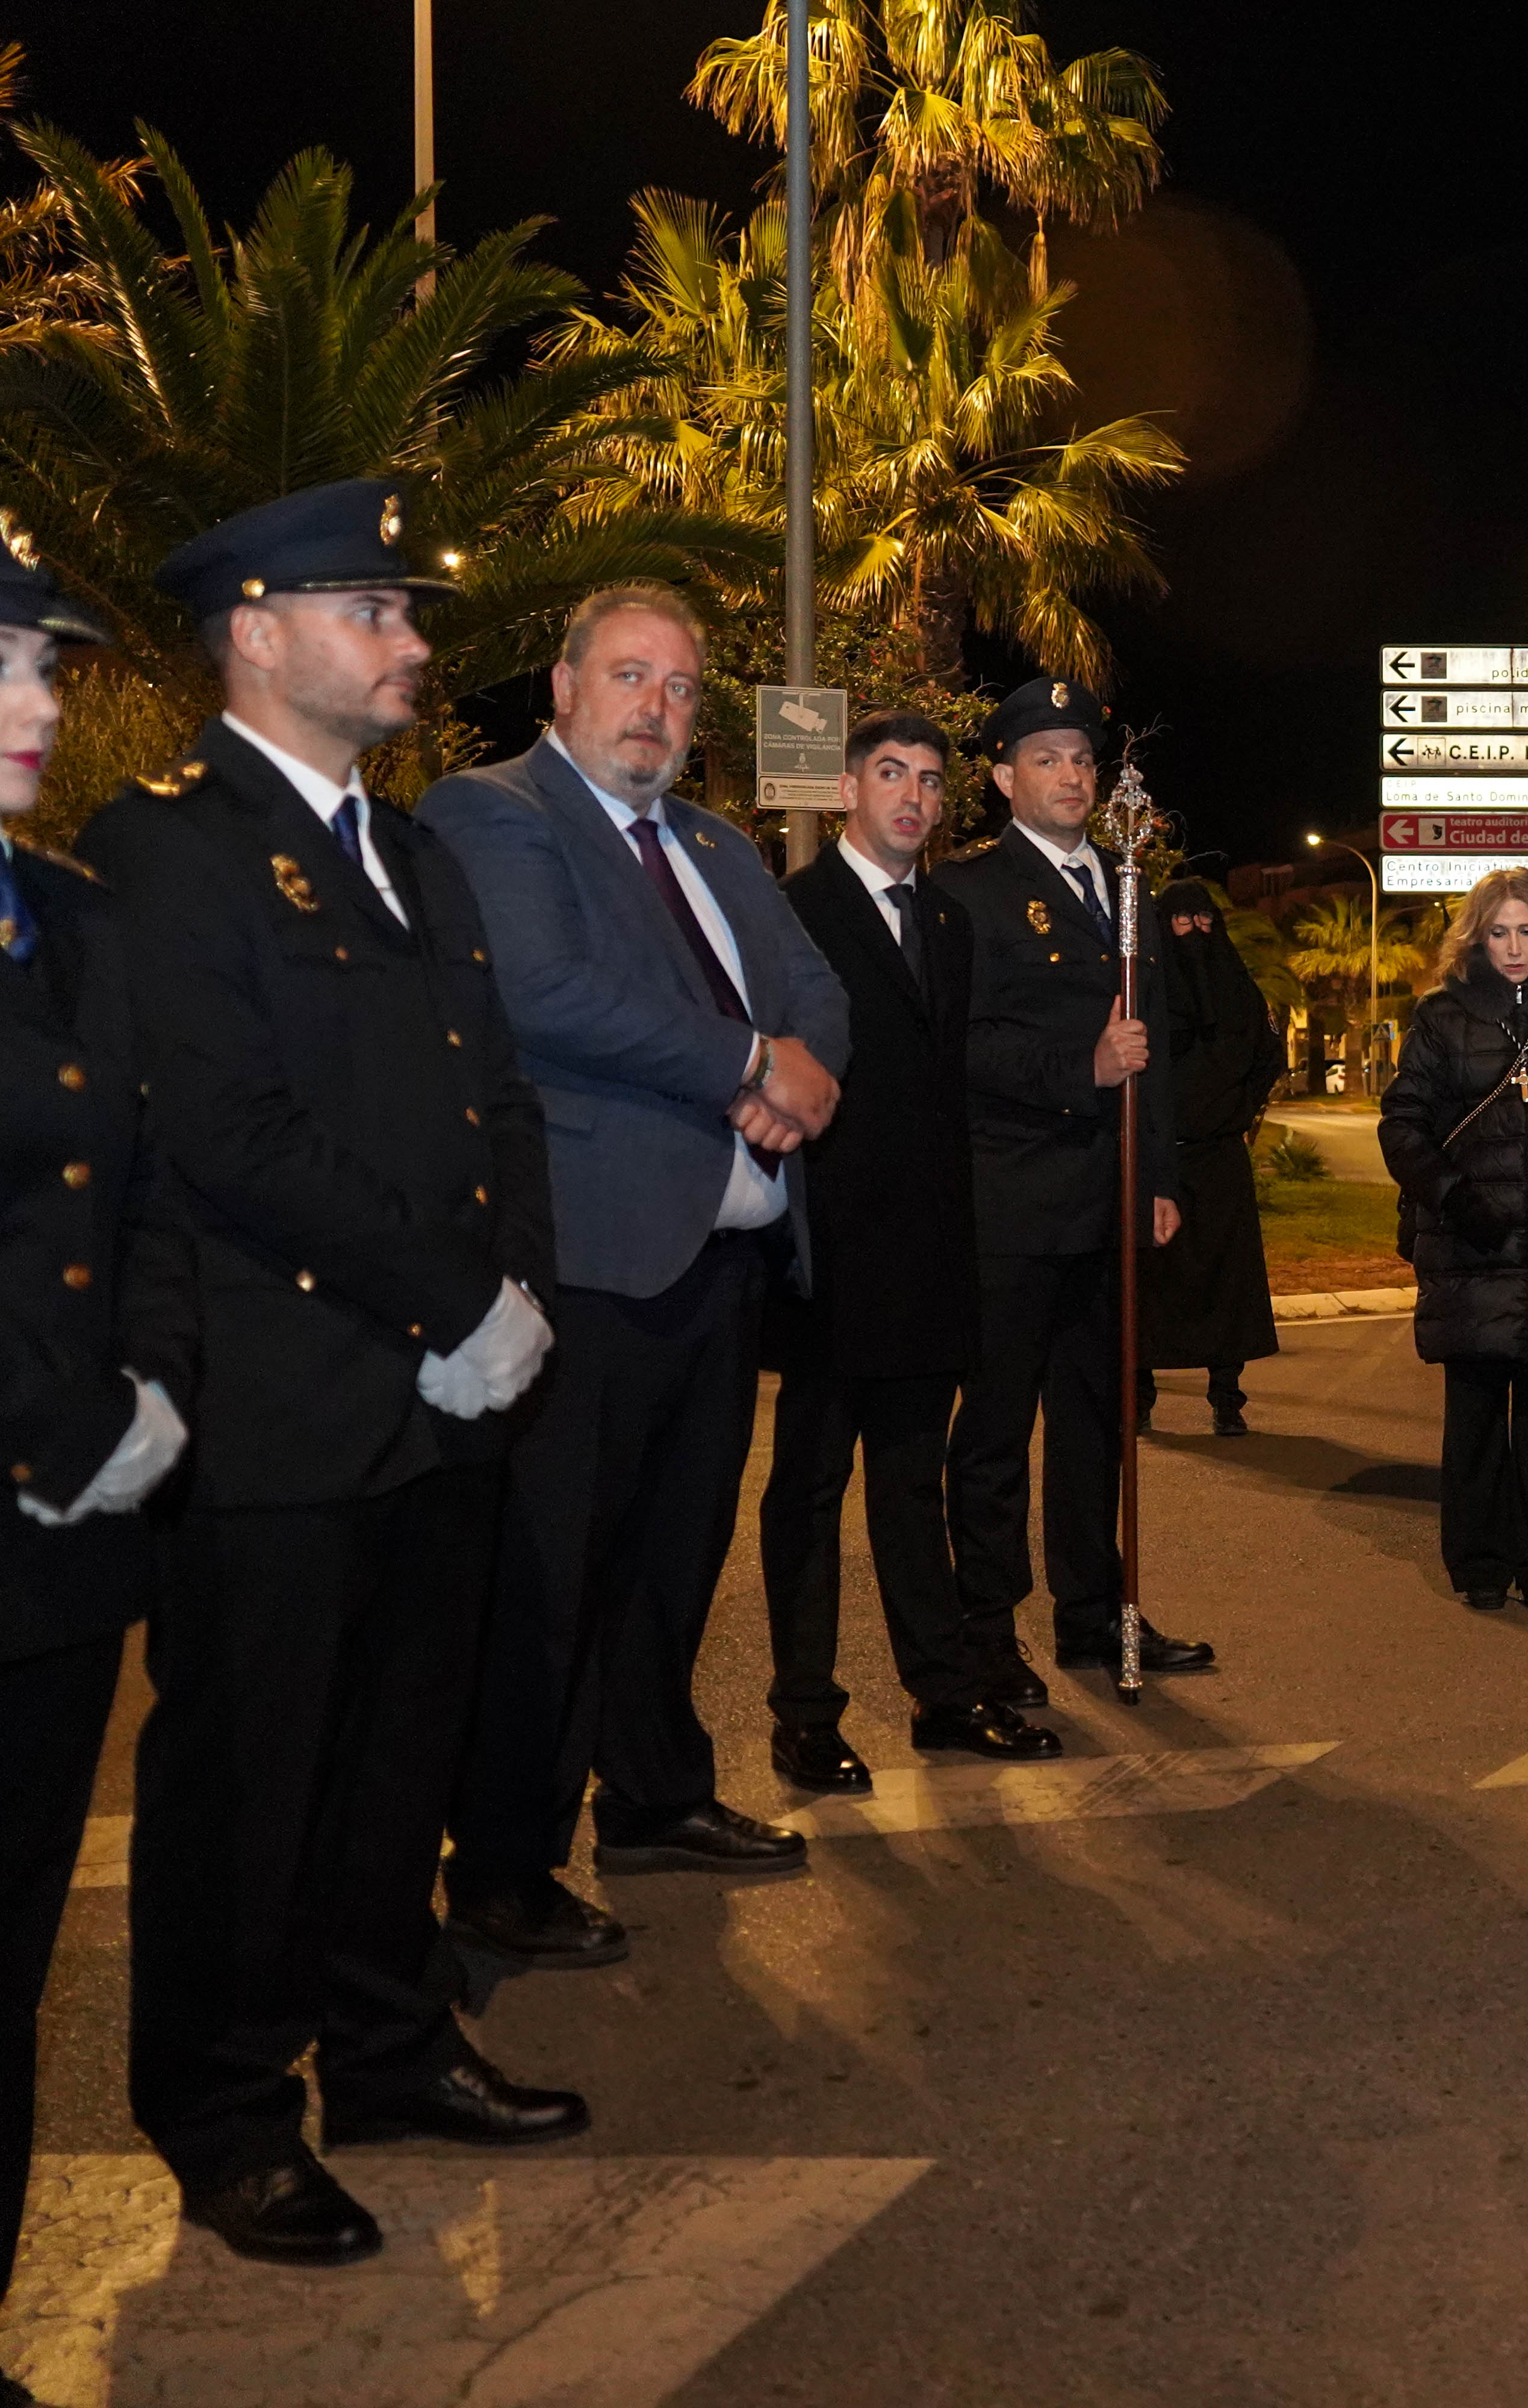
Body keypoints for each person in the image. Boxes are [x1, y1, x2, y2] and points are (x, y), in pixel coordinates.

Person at [83, 481, 581, 2266]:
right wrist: (456, 1300)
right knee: (249, 1779)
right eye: (372, 609)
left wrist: (517, 1289)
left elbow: (494, 1097)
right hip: (283, 1404)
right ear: (257, 629)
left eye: (407, 613)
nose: (412, 643)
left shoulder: (417, 850)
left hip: (445, 1400)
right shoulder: (168, 848)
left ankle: (384, 2046)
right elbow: (227, 1132)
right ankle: (225, 2113)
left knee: (396, 1758)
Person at [420, 583, 848, 1957]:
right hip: (587, 1264)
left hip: (717, 1267)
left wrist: (808, 1077)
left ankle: (655, 1797)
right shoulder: (494, 811)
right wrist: (745, 1065)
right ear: (563, 685)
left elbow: (815, 986)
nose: (656, 707)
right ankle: (501, 1863)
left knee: (673, 1560)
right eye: (629, 676)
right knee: (549, 1581)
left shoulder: (718, 843)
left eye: (679, 686)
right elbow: (545, 992)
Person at [0, 538, 193, 2327]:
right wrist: (58, 1418)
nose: (39, 703)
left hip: (57, 1556)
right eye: (2, 668)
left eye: (45, 669)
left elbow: (137, 1180)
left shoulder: (65, 911)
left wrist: (139, 1385)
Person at [757, 710, 1055, 1784]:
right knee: (809, 1488)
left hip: (928, 1257)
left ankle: (941, 1695)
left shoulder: (947, 920)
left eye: (930, 781)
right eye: (891, 775)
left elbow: (946, 1101)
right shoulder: (794, 911)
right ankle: (805, 1715)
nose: (914, 799)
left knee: (911, 1486)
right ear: (847, 792)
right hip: (830, 1257)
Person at [937, 678, 1208, 1694]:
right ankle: (988, 1633)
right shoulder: (967, 891)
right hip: (1011, 1202)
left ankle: (1097, 1616)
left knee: (1098, 1425)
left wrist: (1162, 1174)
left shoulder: (1129, 884)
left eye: (1083, 759)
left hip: (1107, 1198)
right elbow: (961, 1045)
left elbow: (1161, 1047)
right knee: (999, 1431)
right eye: (1046, 758)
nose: (1070, 775)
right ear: (1005, 777)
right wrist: (1077, 1072)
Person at [1378, 868, 1528, 1610]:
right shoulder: (1443, 1014)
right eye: (1500, 932)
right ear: (1476, 937)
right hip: (1474, 1247)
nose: (1515, 947)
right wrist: (1454, 1198)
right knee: (1479, 1416)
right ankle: (1481, 1562)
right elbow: (1403, 1125)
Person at [1140, 868, 1283, 1438]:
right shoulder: (1145, 991)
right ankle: (1140, 1396)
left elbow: (1267, 1059)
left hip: (1220, 1158)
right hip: (1158, 1160)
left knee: (1228, 1280)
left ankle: (1228, 1396)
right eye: (1181, 920)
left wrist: (1238, 1108)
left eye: (1205, 920)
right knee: (1150, 1280)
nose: (1195, 930)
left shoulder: (1238, 990)